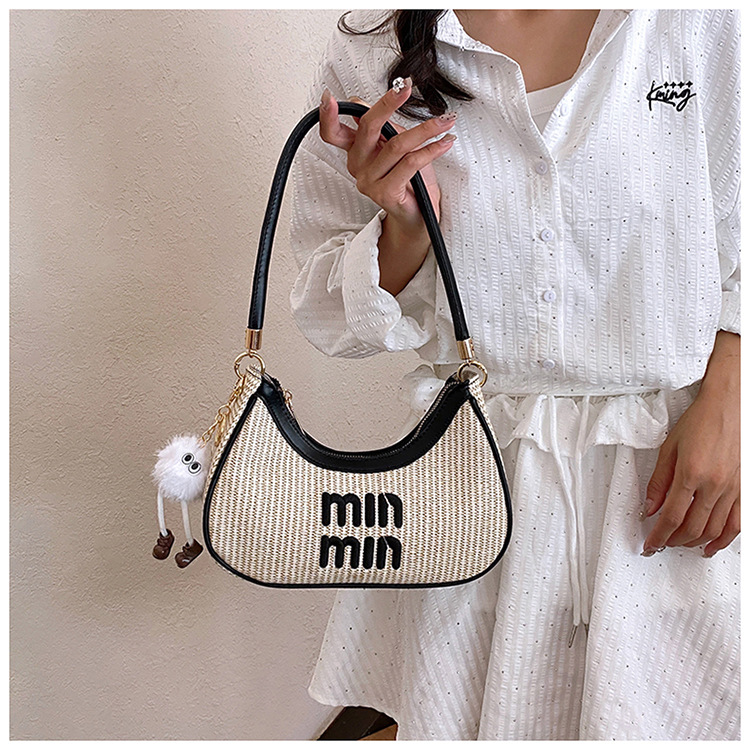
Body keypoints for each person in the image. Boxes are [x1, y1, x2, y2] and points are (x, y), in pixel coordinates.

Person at [287, 9, 740, 741]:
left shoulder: (700, 21)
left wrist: (730, 398)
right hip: (476, 488)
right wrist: (405, 226)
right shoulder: (372, 47)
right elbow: (329, 314)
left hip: (677, 467)